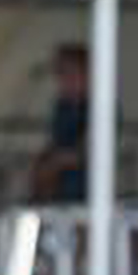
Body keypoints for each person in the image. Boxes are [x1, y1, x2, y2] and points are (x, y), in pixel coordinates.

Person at [30, 41, 90, 203]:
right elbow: (57, 143)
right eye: (60, 73)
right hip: (58, 197)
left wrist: (53, 164)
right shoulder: (61, 106)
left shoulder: (100, 108)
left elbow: (85, 153)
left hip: (86, 196)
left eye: (68, 72)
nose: (62, 80)